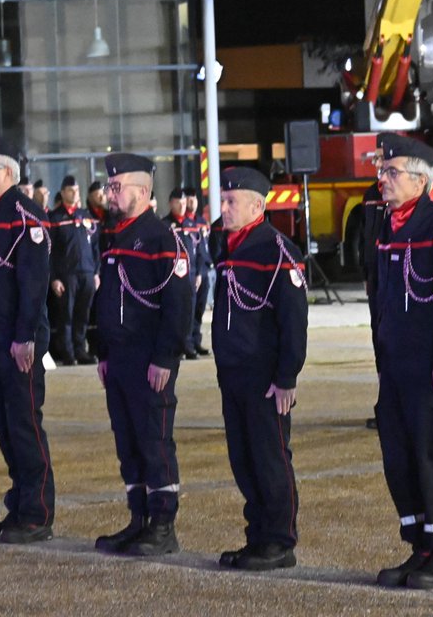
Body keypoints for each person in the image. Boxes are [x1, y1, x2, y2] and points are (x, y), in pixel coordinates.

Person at [371, 134, 433, 590]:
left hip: (431, 367)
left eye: (392, 172)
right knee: (401, 459)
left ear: (420, 179)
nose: (383, 179)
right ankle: (422, 547)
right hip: (395, 364)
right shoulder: (387, 224)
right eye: (383, 171)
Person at [90, 153, 191, 557]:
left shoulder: (161, 239)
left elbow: (178, 305)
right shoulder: (116, 235)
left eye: (117, 187)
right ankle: (139, 518)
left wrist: (166, 357)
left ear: (144, 191)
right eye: (110, 186)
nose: (110, 194)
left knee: (154, 439)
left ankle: (163, 525)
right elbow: (105, 300)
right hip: (118, 357)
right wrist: (102, 351)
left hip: (149, 359)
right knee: (127, 441)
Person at [208, 167, 307, 571]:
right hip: (234, 371)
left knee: (270, 458)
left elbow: (293, 321)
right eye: (223, 200)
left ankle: (279, 541)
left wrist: (287, 376)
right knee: (244, 459)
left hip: (265, 376)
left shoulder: (277, 250)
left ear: (256, 206)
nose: (224, 208)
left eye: (232, 201)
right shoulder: (228, 245)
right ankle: (258, 535)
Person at [0, 136, 56, 544]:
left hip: (17, 342)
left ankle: (36, 513)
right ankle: (19, 505)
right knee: (4, 426)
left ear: (7, 171)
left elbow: (32, 284)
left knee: (24, 425)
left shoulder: (24, 215)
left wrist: (25, 337)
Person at [47, 175, 99, 366]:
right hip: (66, 275)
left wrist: (96, 272)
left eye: (76, 190)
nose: (74, 193)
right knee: (66, 316)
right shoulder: (55, 218)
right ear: (62, 193)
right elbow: (49, 251)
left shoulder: (85, 215)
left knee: (82, 314)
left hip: (87, 272)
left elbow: (95, 247)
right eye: (70, 190)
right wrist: (53, 278)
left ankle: (80, 350)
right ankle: (68, 353)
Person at [361, 138, 388, 431]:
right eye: (376, 159)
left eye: (382, 158)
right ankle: (387, 404)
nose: (378, 165)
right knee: (380, 342)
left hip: (396, 281)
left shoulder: (399, 196)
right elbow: (366, 238)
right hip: (377, 279)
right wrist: (367, 274)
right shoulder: (371, 194)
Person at [163, 187, 207, 361]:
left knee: (190, 311)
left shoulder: (192, 225)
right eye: (178, 203)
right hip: (173, 276)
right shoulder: (165, 225)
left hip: (191, 274)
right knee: (174, 312)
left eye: (183, 202)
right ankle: (175, 346)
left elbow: (200, 251)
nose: (182, 206)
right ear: (171, 204)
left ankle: (188, 345)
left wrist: (199, 273)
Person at [182, 186, 212, 357]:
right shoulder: (184, 222)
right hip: (192, 272)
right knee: (190, 308)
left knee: (200, 307)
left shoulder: (201, 221)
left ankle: (196, 340)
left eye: (194, 199)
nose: (192, 202)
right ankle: (188, 343)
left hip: (203, 269)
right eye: (189, 199)